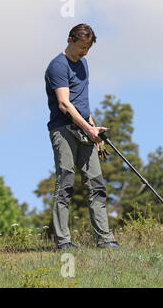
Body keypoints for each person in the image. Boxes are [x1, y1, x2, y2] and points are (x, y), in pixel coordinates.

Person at [45, 23, 120, 250]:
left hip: (86, 130)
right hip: (63, 129)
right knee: (66, 182)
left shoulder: (84, 64)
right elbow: (65, 104)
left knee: (96, 184)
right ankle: (63, 241)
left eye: (88, 48)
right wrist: (88, 130)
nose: (84, 52)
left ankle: (105, 239)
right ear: (70, 40)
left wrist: (94, 130)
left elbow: (82, 102)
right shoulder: (57, 66)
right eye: (81, 47)